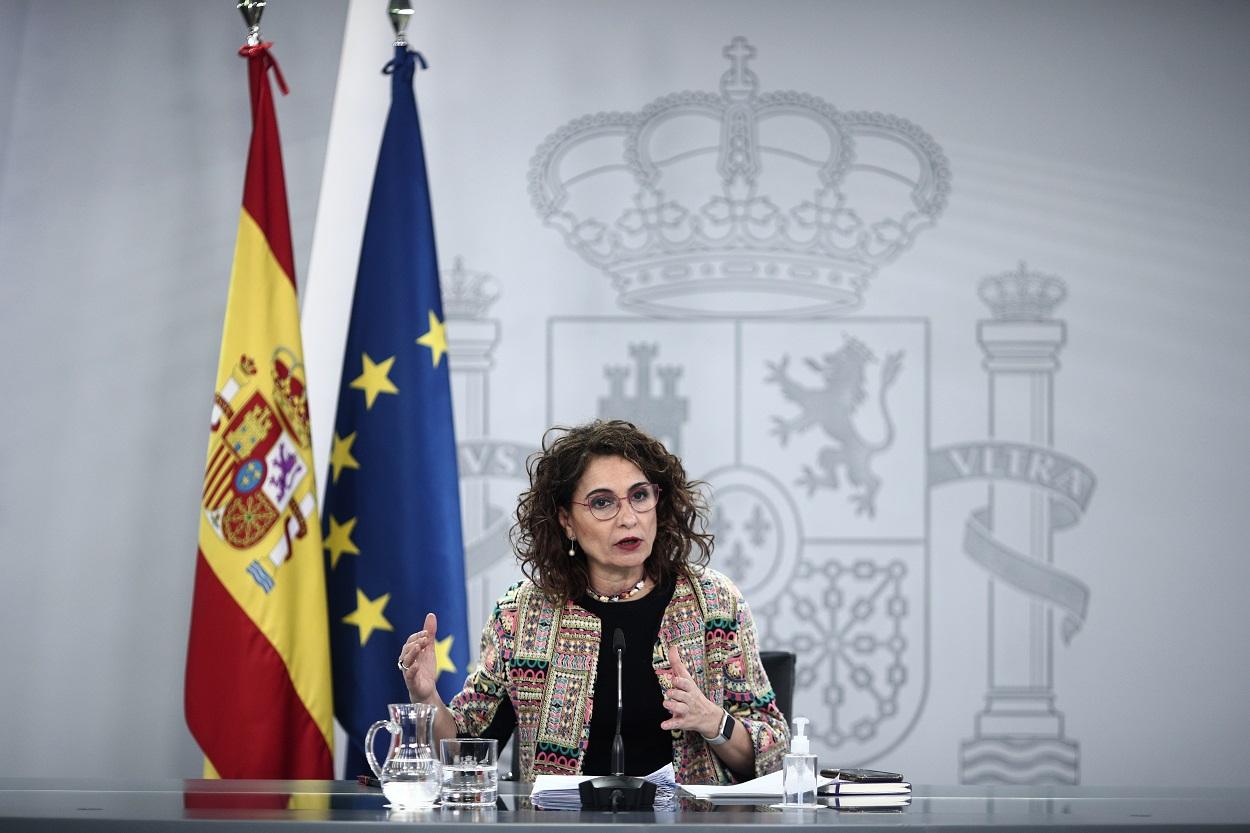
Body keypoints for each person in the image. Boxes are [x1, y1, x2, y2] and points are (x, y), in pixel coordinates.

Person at [399, 419, 789, 784]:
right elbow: (464, 755)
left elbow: (774, 753)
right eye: (603, 502)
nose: (628, 518)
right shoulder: (523, 616)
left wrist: (714, 721)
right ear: (566, 520)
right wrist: (425, 696)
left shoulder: (714, 604)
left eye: (639, 496)